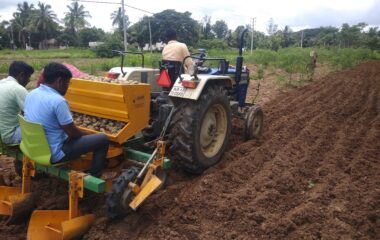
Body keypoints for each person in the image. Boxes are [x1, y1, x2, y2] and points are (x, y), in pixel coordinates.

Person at [24, 62, 109, 177]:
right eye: (67, 83)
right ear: (59, 81)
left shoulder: (31, 94)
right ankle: (94, 175)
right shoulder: (58, 101)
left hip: (34, 149)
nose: (68, 87)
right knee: (102, 139)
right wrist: (88, 134)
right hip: (55, 153)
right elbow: (73, 134)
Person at [0, 61, 34, 145]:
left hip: (2, 132)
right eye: (28, 77)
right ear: (21, 75)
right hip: (11, 135)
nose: (29, 80)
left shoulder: (2, 82)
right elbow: (34, 114)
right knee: (48, 129)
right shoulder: (18, 89)